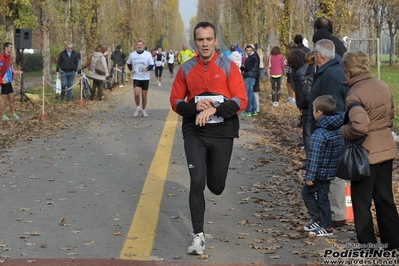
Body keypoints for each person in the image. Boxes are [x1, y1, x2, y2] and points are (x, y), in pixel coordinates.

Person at [169, 21, 247, 255]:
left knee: (216, 186)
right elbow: (175, 100)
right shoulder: (186, 68)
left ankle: (214, 180)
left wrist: (215, 108)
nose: (204, 44)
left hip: (223, 132)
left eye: (208, 39)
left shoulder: (228, 67)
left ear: (215, 41)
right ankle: (198, 236)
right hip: (195, 131)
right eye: (200, 40)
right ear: (195, 42)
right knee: (197, 180)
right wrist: (194, 106)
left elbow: (241, 100)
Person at [341, 51, 399, 250]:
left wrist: (344, 130)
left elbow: (359, 126)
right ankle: (393, 241)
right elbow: (391, 116)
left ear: (348, 72)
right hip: (386, 147)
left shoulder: (354, 94)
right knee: (385, 198)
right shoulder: (382, 85)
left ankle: (368, 244)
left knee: (361, 201)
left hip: (365, 153)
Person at [310, 39, 349, 228]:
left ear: (318, 55)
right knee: (329, 174)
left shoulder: (331, 75)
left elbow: (334, 108)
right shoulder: (330, 71)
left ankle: (336, 214)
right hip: (329, 131)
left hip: (330, 133)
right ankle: (331, 212)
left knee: (332, 175)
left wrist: (323, 130)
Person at [302, 95, 344, 236]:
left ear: (319, 112)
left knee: (307, 193)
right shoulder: (338, 129)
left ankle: (322, 222)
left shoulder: (319, 134)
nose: (313, 112)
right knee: (323, 197)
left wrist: (310, 177)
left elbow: (314, 158)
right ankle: (324, 223)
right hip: (330, 171)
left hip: (319, 173)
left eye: (313, 109)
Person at [126, 40, 154, 118]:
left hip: (145, 78)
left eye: (141, 45)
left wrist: (147, 68)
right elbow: (128, 63)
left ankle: (144, 110)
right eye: (138, 45)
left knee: (144, 96)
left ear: (143, 46)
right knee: (137, 94)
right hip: (136, 77)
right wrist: (131, 69)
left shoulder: (148, 54)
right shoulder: (132, 55)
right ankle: (138, 108)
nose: (139, 46)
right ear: (136, 46)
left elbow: (152, 65)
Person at [0, 42, 20, 120]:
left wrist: (14, 72)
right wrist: (1, 80)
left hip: (9, 81)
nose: (11, 49)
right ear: (6, 48)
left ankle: (14, 114)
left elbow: (8, 68)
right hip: (4, 81)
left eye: (12, 47)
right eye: (10, 47)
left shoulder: (8, 57)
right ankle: (3, 115)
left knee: (12, 98)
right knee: (3, 99)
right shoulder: (2, 57)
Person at [240, 45, 259, 116]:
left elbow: (247, 67)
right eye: (247, 51)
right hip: (249, 76)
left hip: (250, 77)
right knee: (251, 94)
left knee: (248, 94)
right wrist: (243, 67)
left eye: (249, 51)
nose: (248, 52)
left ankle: (248, 110)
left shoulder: (253, 58)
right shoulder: (250, 57)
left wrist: (242, 67)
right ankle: (254, 109)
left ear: (252, 50)